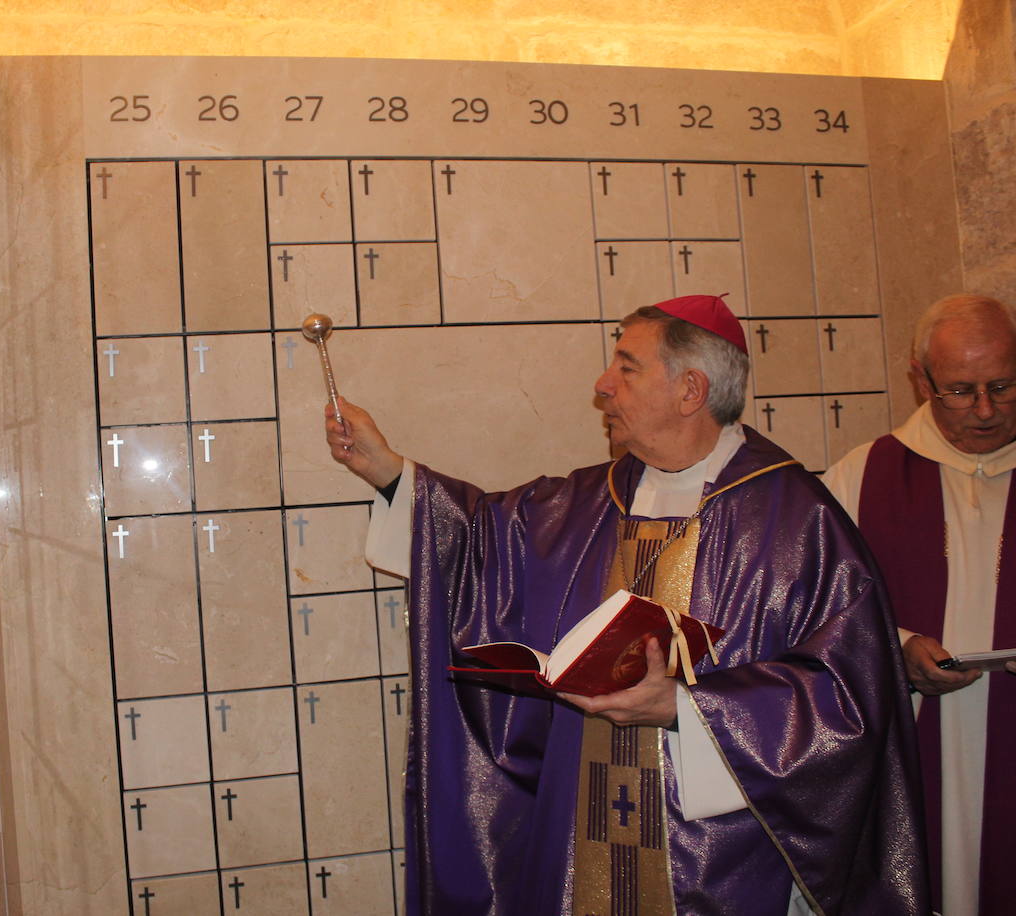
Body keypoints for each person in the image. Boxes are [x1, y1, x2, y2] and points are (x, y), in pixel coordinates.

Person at [326, 295, 928, 915]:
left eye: (627, 367)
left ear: (690, 390)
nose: (602, 385)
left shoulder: (797, 521)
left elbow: (851, 699)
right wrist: (391, 473)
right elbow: (481, 538)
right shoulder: (588, 501)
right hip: (579, 839)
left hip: (721, 862)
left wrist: (688, 709)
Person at [822, 294, 1016, 915]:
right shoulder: (860, 477)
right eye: (959, 390)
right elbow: (816, 610)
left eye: (1003, 386)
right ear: (919, 377)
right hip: (911, 750)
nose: (984, 409)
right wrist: (896, 650)